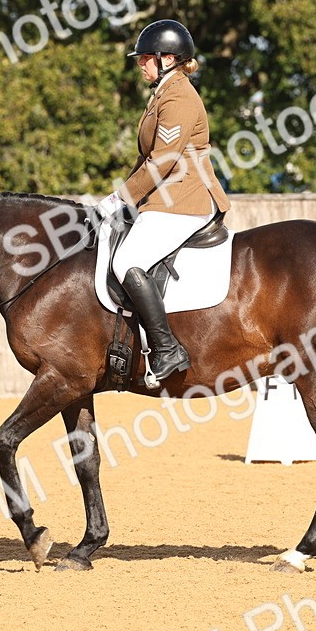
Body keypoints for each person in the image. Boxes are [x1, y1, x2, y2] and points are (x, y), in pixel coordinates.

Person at [95, 19, 231, 381]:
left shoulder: (180, 97)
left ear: (168, 58)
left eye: (146, 58)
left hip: (183, 199)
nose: (140, 64)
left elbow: (163, 161)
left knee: (127, 260)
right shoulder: (162, 94)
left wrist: (119, 199)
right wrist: (120, 199)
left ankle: (167, 349)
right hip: (162, 199)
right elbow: (146, 159)